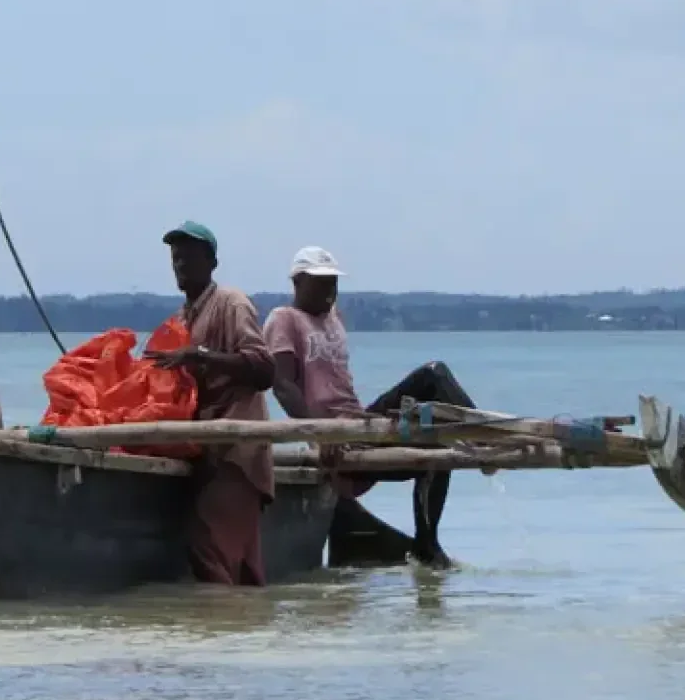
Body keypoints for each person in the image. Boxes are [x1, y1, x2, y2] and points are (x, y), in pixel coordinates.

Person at [263, 246, 468, 569]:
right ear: (298, 281)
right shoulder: (283, 320)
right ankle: (482, 441)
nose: (330, 290)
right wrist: (322, 435)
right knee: (433, 374)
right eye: (320, 282)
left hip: (362, 423)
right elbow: (283, 386)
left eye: (333, 281)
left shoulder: (334, 318)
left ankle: (428, 544)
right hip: (338, 436)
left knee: (433, 388)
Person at [147, 222, 277, 587]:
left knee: (210, 550)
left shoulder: (231, 304)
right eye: (176, 259)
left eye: (190, 257)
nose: (181, 266)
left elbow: (264, 369)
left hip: (238, 447)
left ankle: (217, 631)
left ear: (212, 262)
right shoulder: (182, 317)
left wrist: (201, 356)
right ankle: (249, 635)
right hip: (207, 449)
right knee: (245, 570)